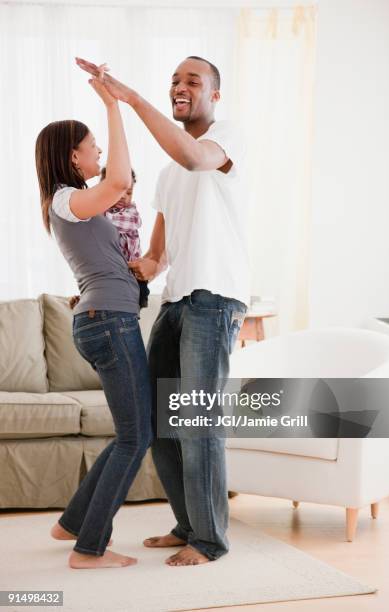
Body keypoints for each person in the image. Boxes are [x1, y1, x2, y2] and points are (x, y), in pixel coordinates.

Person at [76, 55, 250, 566]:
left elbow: (197, 158)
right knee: (159, 423)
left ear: (214, 95)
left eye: (193, 81)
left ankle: (210, 541)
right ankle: (187, 524)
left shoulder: (226, 138)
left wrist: (129, 99)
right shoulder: (170, 167)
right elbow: (162, 237)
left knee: (198, 423)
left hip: (215, 297)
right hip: (177, 300)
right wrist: (145, 264)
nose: (180, 86)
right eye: (174, 80)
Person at [35, 67, 152, 569]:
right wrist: (113, 104)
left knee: (129, 433)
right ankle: (89, 550)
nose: (99, 156)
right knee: (135, 437)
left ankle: (72, 523)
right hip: (109, 321)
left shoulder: (75, 205)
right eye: (92, 148)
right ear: (72, 156)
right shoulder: (67, 200)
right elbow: (120, 179)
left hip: (106, 316)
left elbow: (124, 223)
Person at [69, 166, 149, 310]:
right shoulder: (100, 211)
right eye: (119, 191)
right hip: (108, 276)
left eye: (129, 192)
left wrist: (94, 207)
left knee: (133, 299)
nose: (124, 196)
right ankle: (85, 299)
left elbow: (114, 223)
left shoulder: (130, 212)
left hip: (133, 276)